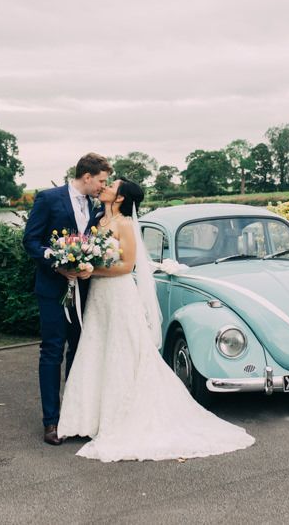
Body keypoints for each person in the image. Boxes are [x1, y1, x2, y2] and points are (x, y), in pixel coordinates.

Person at [57, 178, 255, 461]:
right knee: (96, 347)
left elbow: (127, 266)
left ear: (122, 198)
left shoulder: (125, 224)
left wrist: (92, 270)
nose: (106, 187)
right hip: (98, 298)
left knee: (124, 350)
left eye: (111, 186)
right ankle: (88, 419)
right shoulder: (98, 219)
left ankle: (120, 417)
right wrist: (81, 262)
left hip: (118, 293)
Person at [23, 153, 112, 445]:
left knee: (79, 350)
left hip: (84, 292)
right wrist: (54, 259)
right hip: (52, 289)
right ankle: (51, 421)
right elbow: (31, 240)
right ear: (87, 177)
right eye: (101, 180)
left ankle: (75, 416)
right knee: (52, 351)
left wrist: (88, 265)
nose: (103, 186)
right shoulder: (48, 198)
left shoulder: (93, 205)